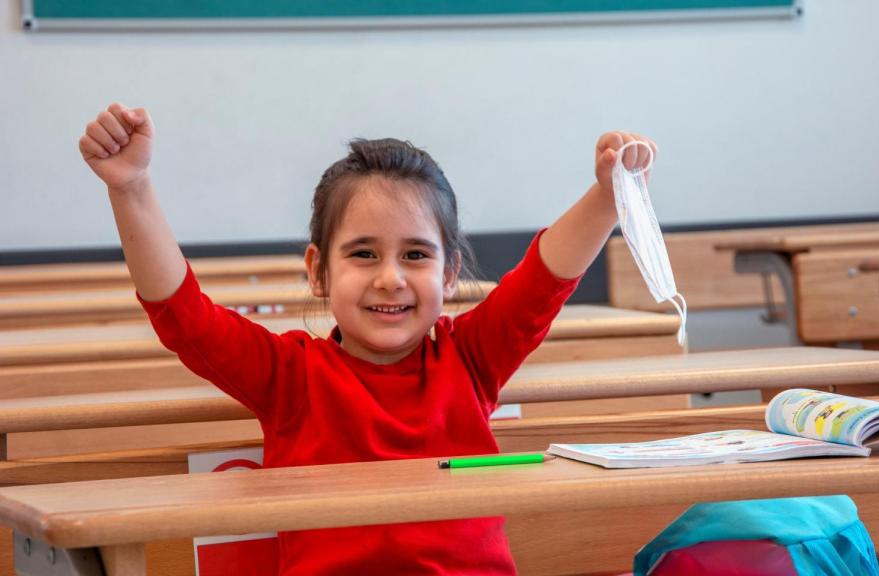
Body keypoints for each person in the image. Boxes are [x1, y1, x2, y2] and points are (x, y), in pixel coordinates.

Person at [78, 102, 656, 575]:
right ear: (319, 271)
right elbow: (183, 315)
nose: (390, 277)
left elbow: (543, 280)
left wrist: (609, 197)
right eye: (363, 254)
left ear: (450, 274)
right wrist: (131, 188)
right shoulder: (290, 376)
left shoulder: (472, 358)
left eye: (415, 254)